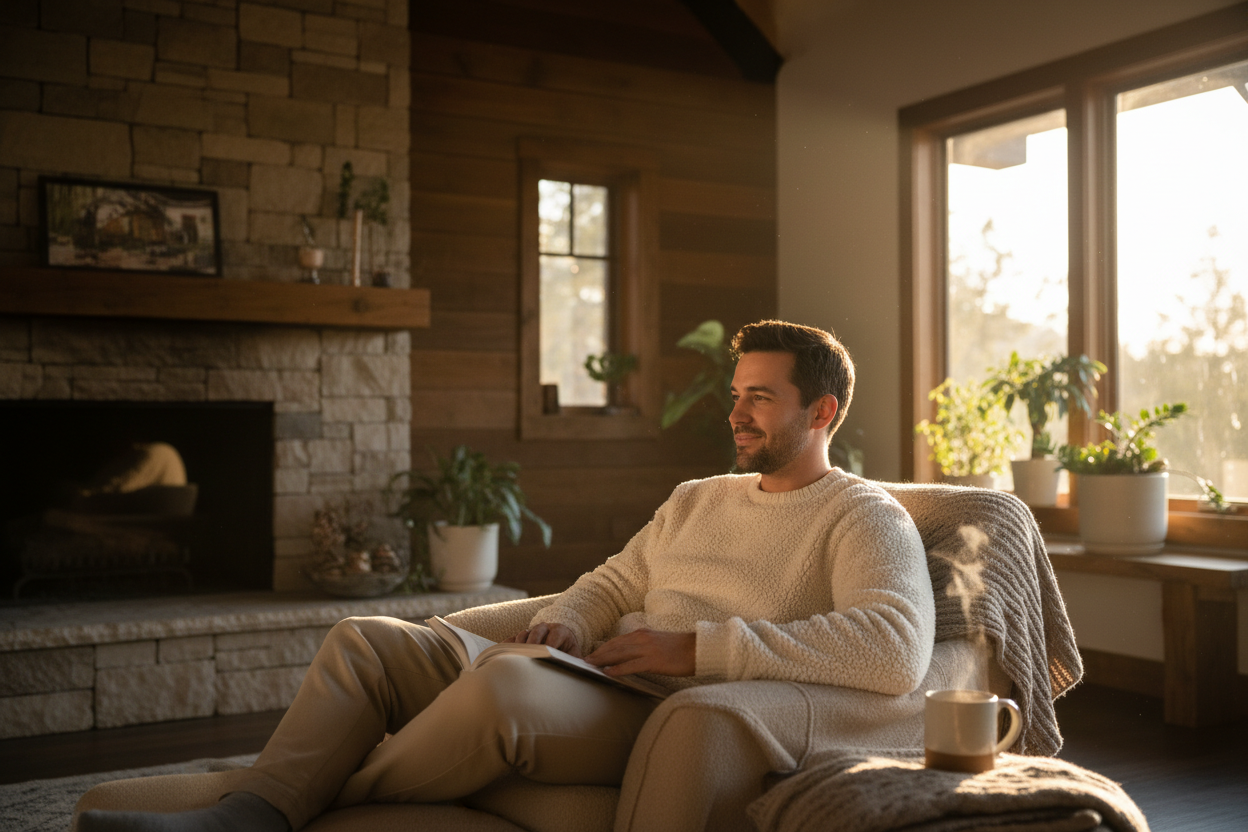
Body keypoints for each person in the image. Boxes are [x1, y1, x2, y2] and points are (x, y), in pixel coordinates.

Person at [78, 320, 935, 832]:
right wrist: (569, 619)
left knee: (503, 693)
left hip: (668, 715)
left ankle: (263, 807)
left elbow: (894, 649)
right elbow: (611, 580)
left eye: (760, 397)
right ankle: (268, 802)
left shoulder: (862, 514)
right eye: (738, 392)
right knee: (366, 641)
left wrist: (698, 649)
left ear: (821, 412)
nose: (735, 412)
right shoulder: (698, 497)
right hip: (597, 674)